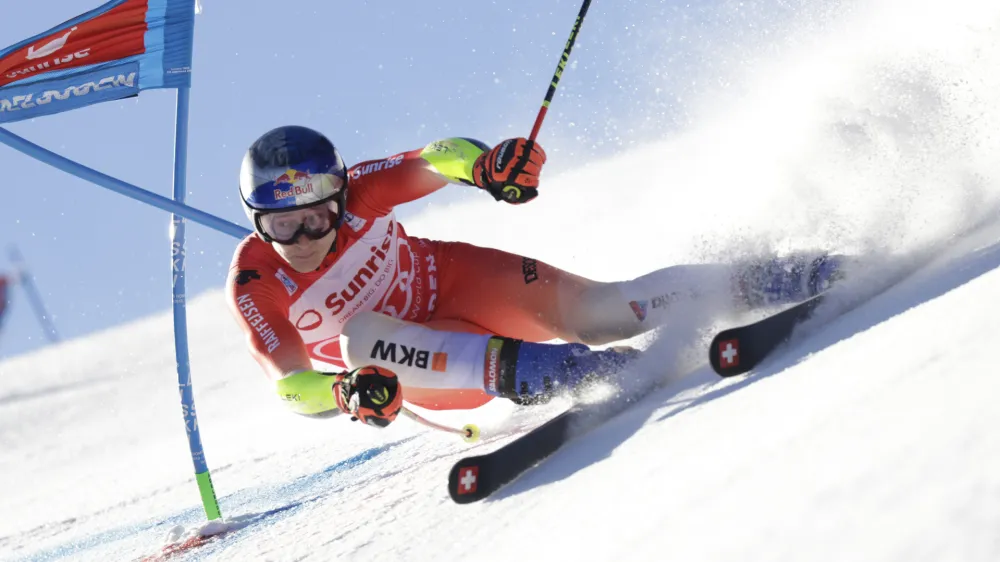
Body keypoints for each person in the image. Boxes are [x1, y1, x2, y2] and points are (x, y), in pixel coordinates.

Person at [226, 125, 843, 428]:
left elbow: (436, 157)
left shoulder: (362, 190)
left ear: (339, 198)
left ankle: (784, 276)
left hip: (454, 280)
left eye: (317, 219)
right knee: (359, 339)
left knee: (604, 309)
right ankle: (578, 372)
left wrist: (488, 166)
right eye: (283, 228)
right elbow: (290, 385)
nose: (304, 240)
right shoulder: (255, 285)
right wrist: (342, 393)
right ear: (258, 224)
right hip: (432, 366)